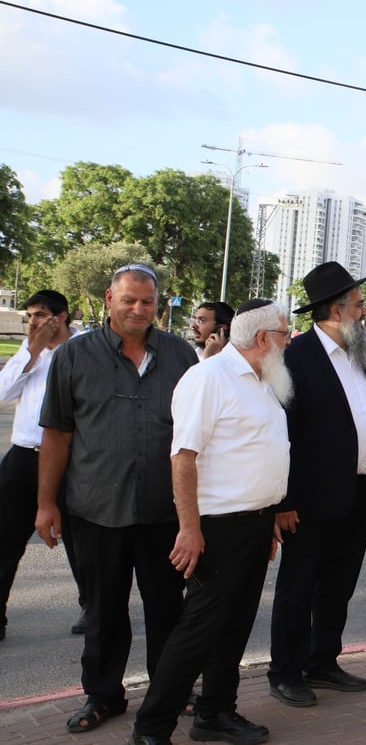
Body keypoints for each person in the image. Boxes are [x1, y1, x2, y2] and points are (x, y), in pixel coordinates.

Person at [36, 263, 197, 735]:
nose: (138, 309)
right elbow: (57, 435)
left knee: (168, 608)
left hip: (163, 512)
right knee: (103, 613)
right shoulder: (73, 356)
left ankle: (171, 691)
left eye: (147, 301)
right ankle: (103, 696)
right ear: (109, 299)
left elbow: (197, 435)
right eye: (129, 299)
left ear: (158, 303)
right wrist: (47, 504)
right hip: (94, 510)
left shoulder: (180, 356)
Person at [129, 300, 292, 745]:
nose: (289, 340)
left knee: (235, 625)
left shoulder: (262, 381)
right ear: (262, 339)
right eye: (285, 333)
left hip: (255, 525)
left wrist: (268, 514)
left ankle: (215, 712)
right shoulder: (209, 378)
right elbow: (183, 458)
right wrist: (189, 527)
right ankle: (151, 728)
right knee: (197, 631)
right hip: (217, 528)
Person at [267, 261, 366, 708]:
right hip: (309, 501)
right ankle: (286, 671)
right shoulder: (296, 357)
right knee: (298, 588)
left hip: (353, 496)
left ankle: (323, 660)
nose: (365, 312)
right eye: (358, 304)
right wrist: (285, 500)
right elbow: (282, 433)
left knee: (338, 586)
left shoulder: (357, 357)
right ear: (336, 310)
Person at [0, 289, 85, 641]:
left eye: (38, 315)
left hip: (70, 458)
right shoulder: (28, 352)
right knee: (5, 538)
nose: (32, 322)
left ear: (61, 317)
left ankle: (94, 607)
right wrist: (31, 353)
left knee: (81, 541)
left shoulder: (84, 350)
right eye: (29, 316)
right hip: (23, 456)